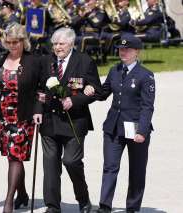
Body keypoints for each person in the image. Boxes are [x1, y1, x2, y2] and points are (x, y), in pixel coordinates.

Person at [84, 34, 155, 213]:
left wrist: (143, 131)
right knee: (110, 167)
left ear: (137, 52)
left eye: (127, 49)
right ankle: (104, 206)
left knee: (137, 170)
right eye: (121, 49)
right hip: (113, 127)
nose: (122, 52)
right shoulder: (114, 70)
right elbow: (103, 93)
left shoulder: (146, 76)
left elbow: (147, 107)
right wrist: (90, 90)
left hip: (136, 127)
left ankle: (132, 207)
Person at [33, 27, 101, 213]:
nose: (57, 47)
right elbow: (39, 89)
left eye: (61, 43)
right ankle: (53, 206)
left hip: (75, 122)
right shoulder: (46, 61)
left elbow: (97, 89)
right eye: (55, 44)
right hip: (49, 121)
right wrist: (37, 110)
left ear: (71, 43)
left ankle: (83, 199)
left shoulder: (84, 61)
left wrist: (76, 99)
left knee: (71, 161)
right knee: (50, 165)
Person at [0, 23, 43, 213]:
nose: (12, 45)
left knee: (15, 156)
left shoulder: (34, 61)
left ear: (24, 41)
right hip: (2, 116)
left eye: (15, 42)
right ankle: (22, 193)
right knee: (12, 157)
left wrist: (38, 109)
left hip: (23, 116)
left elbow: (41, 89)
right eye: (8, 42)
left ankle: (9, 200)